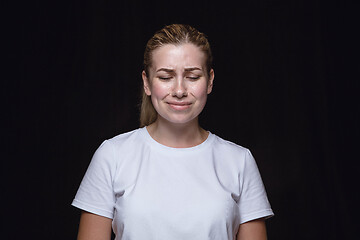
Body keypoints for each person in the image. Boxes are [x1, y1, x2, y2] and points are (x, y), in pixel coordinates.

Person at [72, 24, 274, 240]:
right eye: (166, 77)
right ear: (147, 83)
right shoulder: (112, 155)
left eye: (193, 77)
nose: (179, 91)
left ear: (210, 81)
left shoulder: (239, 161)